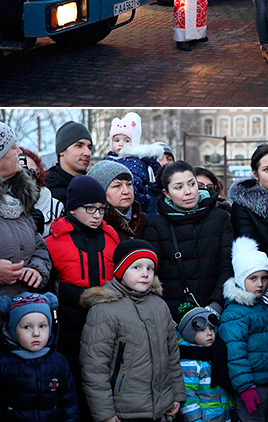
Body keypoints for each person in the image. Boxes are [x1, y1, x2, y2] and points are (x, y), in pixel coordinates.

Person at [80, 238, 186, 422]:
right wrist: (105, 414)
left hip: (161, 408)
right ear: (121, 271)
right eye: (136, 267)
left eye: (149, 268)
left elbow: (172, 356)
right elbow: (94, 368)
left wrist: (176, 395)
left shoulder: (160, 306)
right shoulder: (104, 310)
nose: (145, 274)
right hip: (124, 411)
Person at [45, 176, 119, 404]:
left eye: (101, 209)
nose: (97, 215)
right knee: (73, 391)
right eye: (90, 208)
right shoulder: (54, 241)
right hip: (68, 333)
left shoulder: (111, 236)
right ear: (73, 208)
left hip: (108, 329)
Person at [143, 160, 233, 321]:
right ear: (167, 193)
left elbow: (226, 264)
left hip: (219, 309)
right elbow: (155, 276)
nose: (188, 192)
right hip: (175, 315)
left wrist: (216, 304)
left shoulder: (220, 218)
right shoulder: (157, 226)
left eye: (192, 184)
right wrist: (181, 315)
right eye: (179, 187)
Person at [218, 237, 268, 422]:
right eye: (253, 278)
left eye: (264, 278)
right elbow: (235, 353)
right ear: (240, 279)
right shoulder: (236, 312)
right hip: (253, 385)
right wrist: (245, 386)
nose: (260, 284)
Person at [0, 288, 80, 422]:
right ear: (13, 330)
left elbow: (69, 404)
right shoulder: (3, 364)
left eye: (42, 326)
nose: (36, 333)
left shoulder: (59, 363)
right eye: (27, 327)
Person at [0, 124, 51, 301]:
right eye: (13, 147)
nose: (20, 150)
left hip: (24, 317)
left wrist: (36, 270)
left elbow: (39, 248)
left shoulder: (17, 199)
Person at [178, 303, 232, 422]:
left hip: (223, 416)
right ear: (189, 334)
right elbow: (188, 398)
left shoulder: (216, 354)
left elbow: (224, 389)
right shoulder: (190, 363)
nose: (209, 333)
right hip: (204, 418)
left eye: (211, 328)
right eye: (202, 330)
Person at [89, 159, 154, 243]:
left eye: (129, 184)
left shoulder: (142, 220)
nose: (126, 191)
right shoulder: (95, 221)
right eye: (117, 186)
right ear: (101, 191)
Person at [45, 122, 93, 211]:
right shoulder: (45, 190)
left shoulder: (93, 188)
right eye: (79, 146)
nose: (87, 153)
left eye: (89, 147)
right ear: (61, 150)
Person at [17, 147, 63, 236]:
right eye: (21, 172)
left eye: (30, 172)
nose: (26, 178)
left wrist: (42, 231)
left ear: (38, 175)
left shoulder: (56, 207)